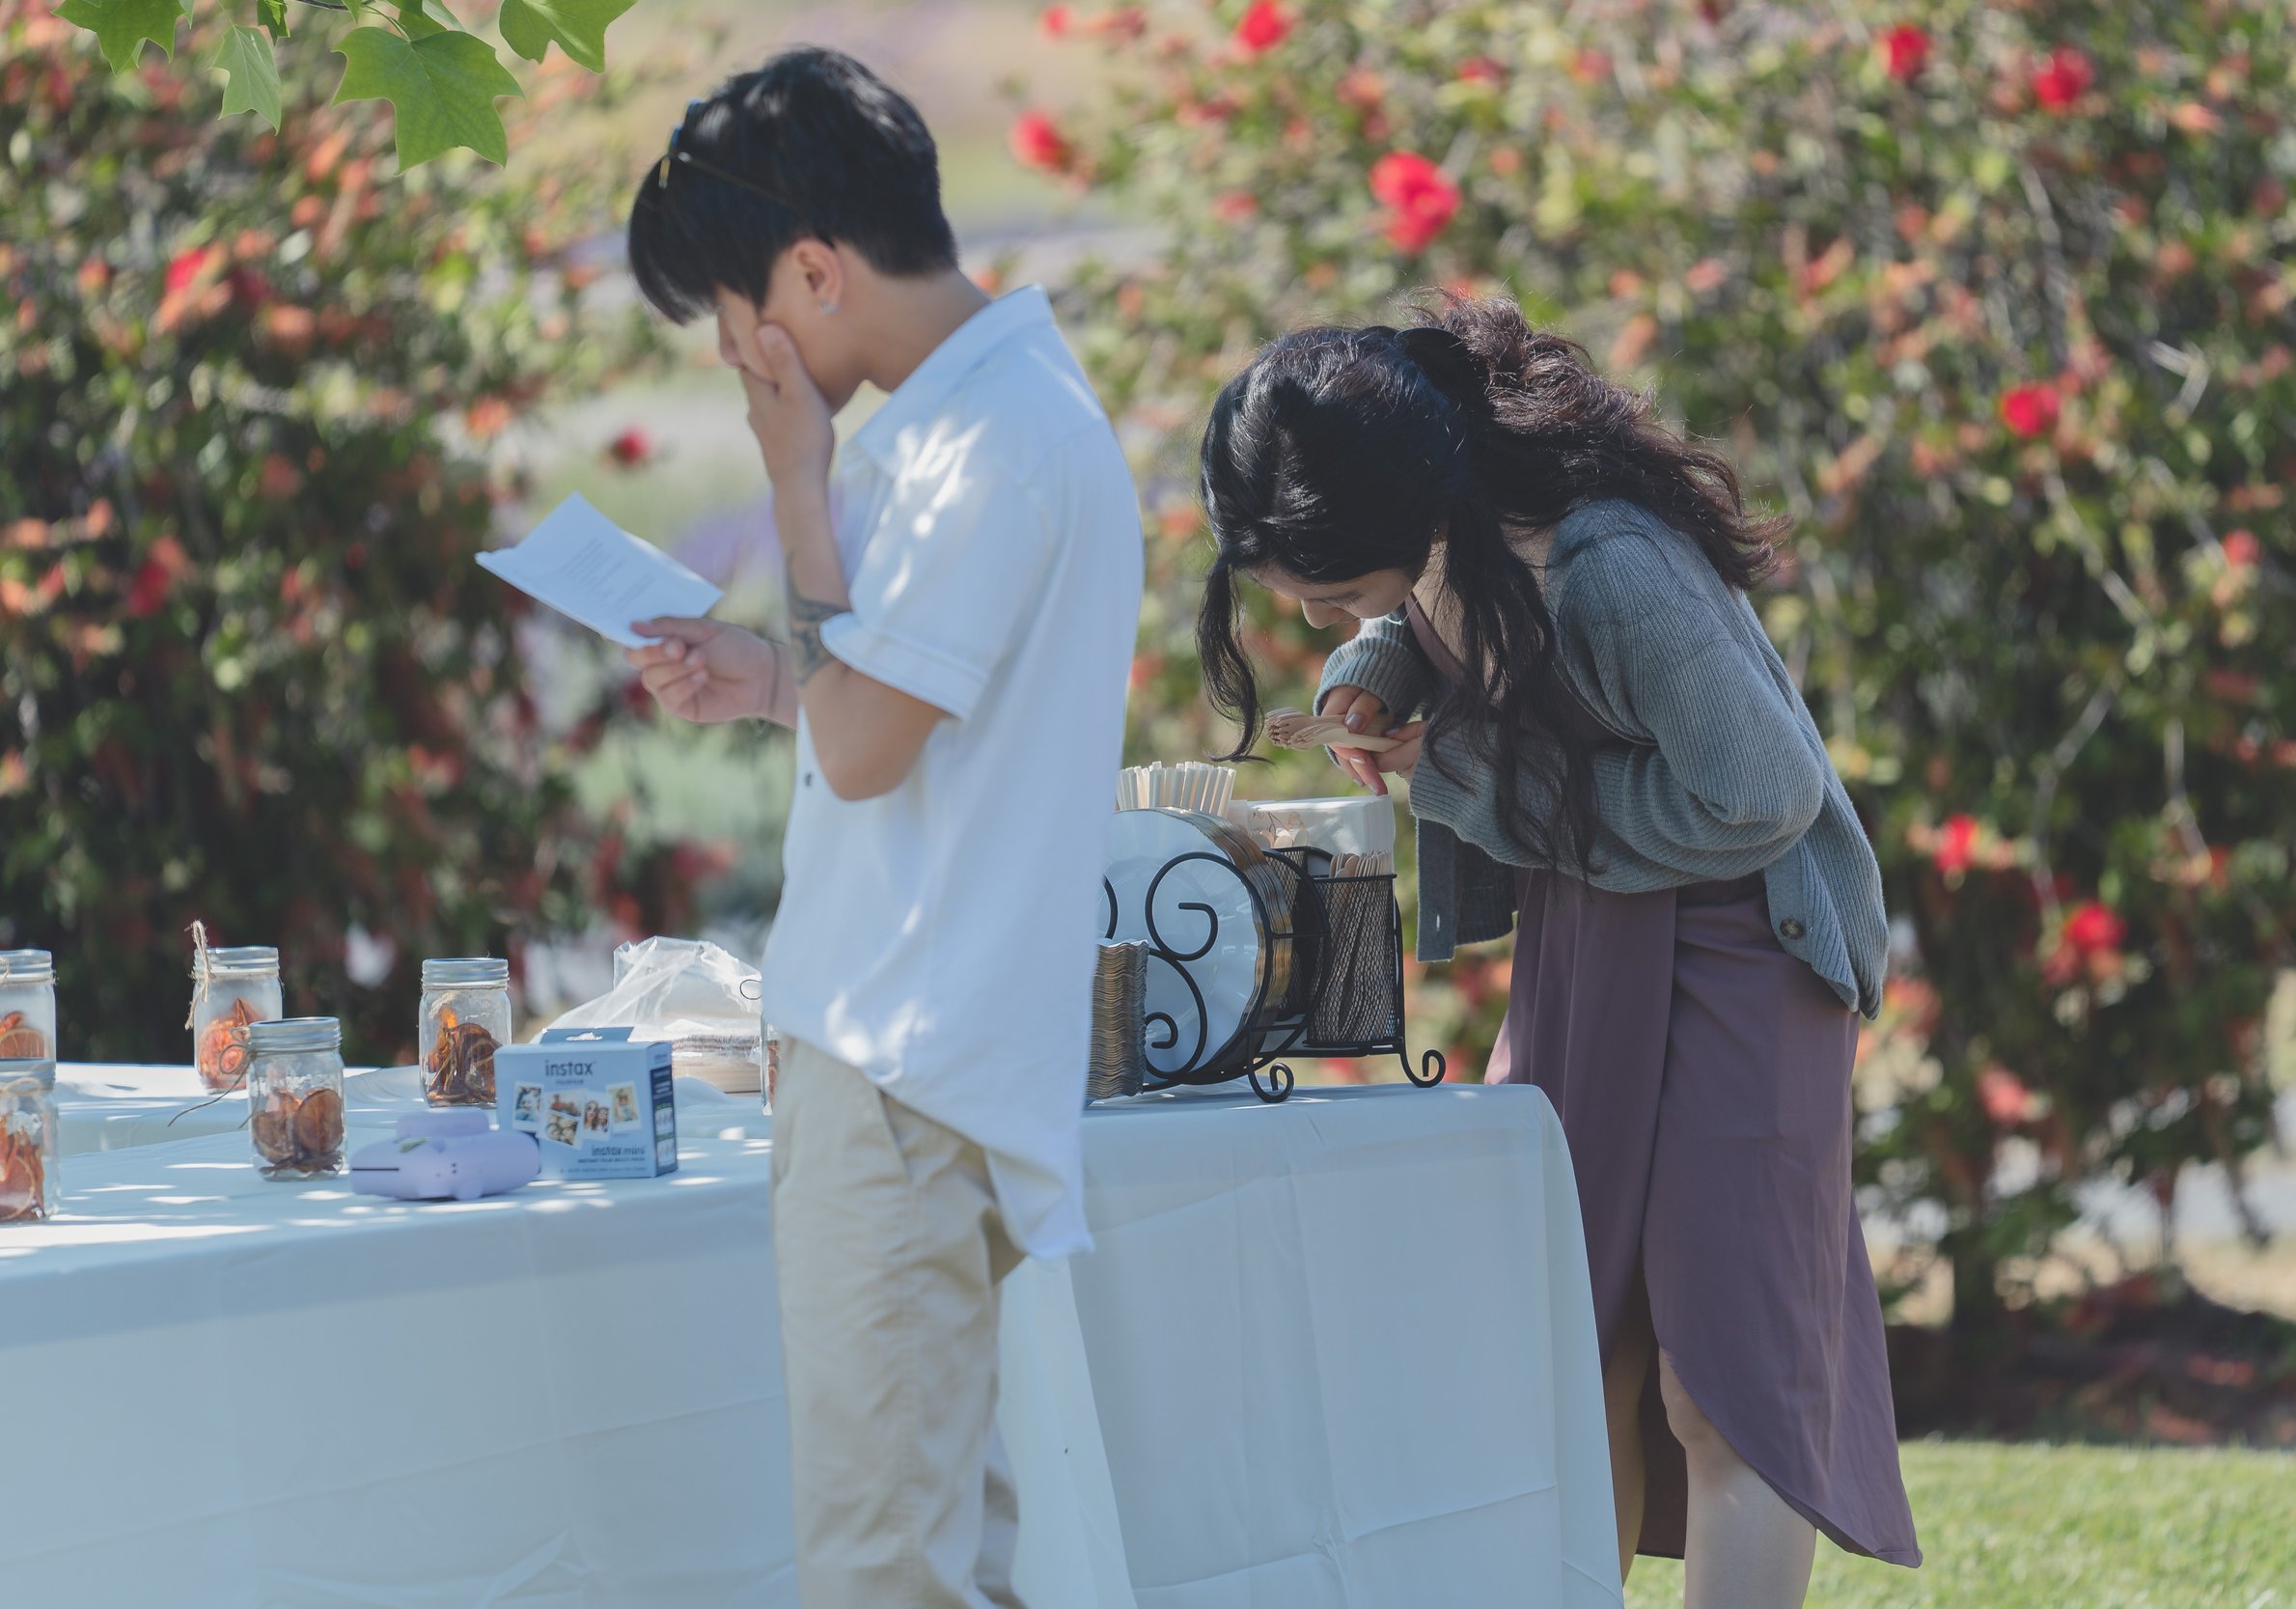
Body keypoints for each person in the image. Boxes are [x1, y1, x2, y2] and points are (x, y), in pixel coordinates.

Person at [1193, 294, 1920, 1607]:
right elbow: (1426, 610)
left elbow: (1760, 801)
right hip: (1597, 930)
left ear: (1417, 514)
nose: (1309, 619)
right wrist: (1380, 666)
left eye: (1333, 588)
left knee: (1725, 1386)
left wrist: (1468, 770)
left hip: (1743, 947)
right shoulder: (1451, 533)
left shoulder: (1611, 568)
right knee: (1586, 1352)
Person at [622, 49, 1142, 1609]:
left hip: (903, 1066)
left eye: (727, 311)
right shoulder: (989, 421)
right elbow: (888, 724)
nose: (731, 351)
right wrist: (772, 676)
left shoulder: (989, 451)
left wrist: (797, 489)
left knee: (881, 1564)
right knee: (931, 1547)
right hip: (923, 1057)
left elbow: (861, 754)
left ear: (813, 272)